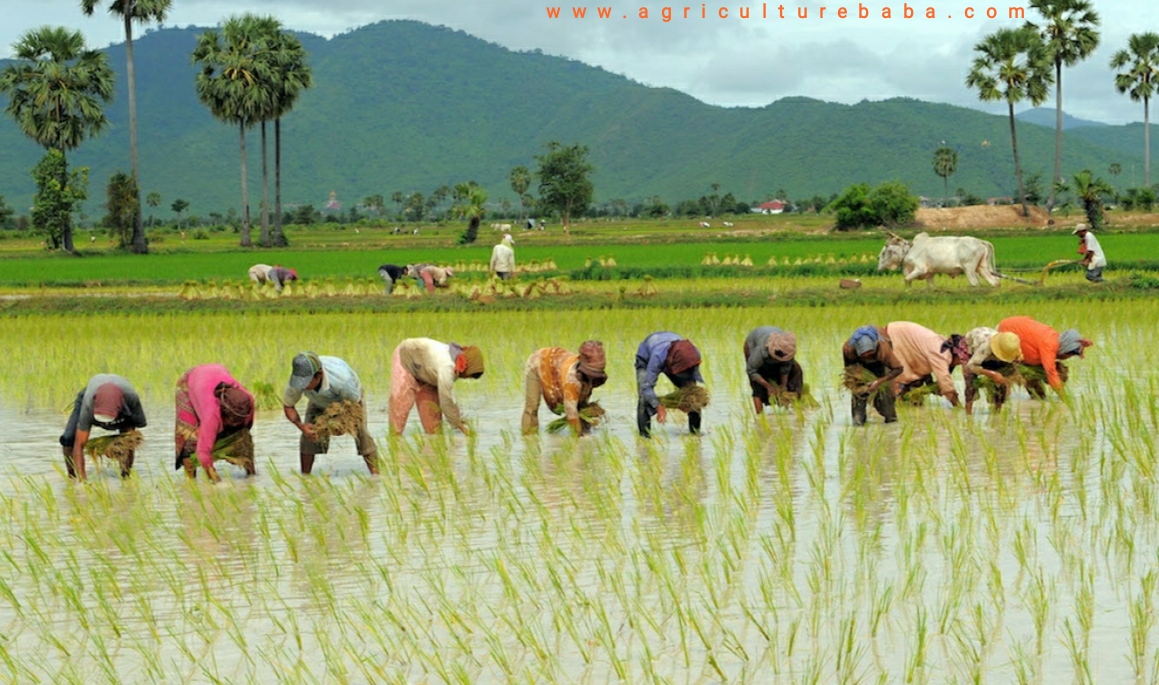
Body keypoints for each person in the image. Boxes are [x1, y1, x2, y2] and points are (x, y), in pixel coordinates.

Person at [283, 352, 379, 475]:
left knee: (361, 434)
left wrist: (343, 424)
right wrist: (301, 426)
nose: (302, 386)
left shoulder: (342, 381)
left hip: (349, 402)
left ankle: (376, 477)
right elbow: (288, 406)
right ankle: (305, 477)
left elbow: (355, 406)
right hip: (317, 401)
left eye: (306, 382)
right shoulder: (296, 381)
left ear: (319, 375)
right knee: (308, 436)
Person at [174, 364, 256, 483]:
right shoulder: (212, 414)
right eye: (232, 420)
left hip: (216, 372)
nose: (235, 423)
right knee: (189, 440)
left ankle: (251, 476)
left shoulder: (248, 400)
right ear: (223, 413)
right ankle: (191, 483)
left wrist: (235, 448)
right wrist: (216, 481)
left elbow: (246, 429)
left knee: (242, 439)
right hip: (190, 383)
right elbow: (202, 453)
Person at [59, 374, 147, 480]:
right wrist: (83, 484)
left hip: (121, 402)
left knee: (127, 440)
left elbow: (130, 437)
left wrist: (115, 447)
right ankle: (72, 477)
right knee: (68, 439)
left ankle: (125, 476)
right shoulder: (89, 403)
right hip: (91, 396)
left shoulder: (131, 399)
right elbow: (79, 445)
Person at [389, 338, 484, 435]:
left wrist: (457, 417)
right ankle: (394, 443)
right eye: (468, 376)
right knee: (400, 410)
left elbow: (450, 395)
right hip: (406, 357)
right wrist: (458, 425)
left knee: (434, 430)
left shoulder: (454, 365)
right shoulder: (447, 366)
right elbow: (445, 399)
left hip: (427, 373)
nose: (465, 378)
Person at [522, 341, 608, 434]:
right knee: (532, 407)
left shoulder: (591, 375)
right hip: (538, 362)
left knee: (582, 408)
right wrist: (579, 438)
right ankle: (529, 438)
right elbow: (571, 412)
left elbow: (579, 405)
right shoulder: (571, 380)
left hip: (558, 361)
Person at [997, 316, 1091, 397]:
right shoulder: (1049, 346)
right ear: (1065, 349)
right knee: (1004, 385)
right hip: (1005, 333)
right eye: (1071, 354)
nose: (1069, 357)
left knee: (1033, 378)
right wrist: (1065, 399)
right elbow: (1051, 372)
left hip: (1019, 332)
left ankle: (1036, 401)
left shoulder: (1055, 339)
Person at [635, 332, 705, 438]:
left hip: (674, 356)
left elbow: (693, 377)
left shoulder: (693, 354)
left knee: (692, 398)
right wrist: (658, 406)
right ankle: (645, 440)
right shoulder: (657, 357)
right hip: (646, 358)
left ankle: (695, 435)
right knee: (644, 400)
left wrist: (684, 401)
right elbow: (647, 387)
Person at [884, 321, 961, 408]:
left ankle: (902, 401)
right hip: (895, 337)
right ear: (957, 355)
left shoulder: (942, 346)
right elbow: (945, 380)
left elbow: (924, 363)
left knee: (915, 383)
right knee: (901, 377)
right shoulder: (941, 354)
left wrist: (931, 385)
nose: (959, 364)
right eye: (960, 361)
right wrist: (957, 405)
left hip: (900, 334)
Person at [842, 325, 903, 426]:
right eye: (864, 355)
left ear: (875, 348)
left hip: (881, 367)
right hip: (860, 368)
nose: (867, 357)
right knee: (858, 411)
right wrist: (858, 382)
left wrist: (879, 382)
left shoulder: (883, 348)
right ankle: (859, 425)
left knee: (887, 408)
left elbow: (898, 368)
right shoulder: (848, 349)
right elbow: (848, 371)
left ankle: (891, 423)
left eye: (870, 355)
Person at [960, 328, 1023, 415]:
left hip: (993, 351)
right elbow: (971, 366)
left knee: (1001, 381)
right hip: (972, 350)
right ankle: (968, 415)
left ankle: (997, 412)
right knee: (970, 380)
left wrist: (1012, 377)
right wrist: (992, 374)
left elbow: (1017, 360)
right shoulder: (986, 347)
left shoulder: (1012, 346)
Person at [743, 326, 804, 414]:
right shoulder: (760, 352)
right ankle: (760, 417)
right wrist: (769, 387)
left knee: (796, 371)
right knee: (757, 385)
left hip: (779, 349)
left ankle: (796, 410)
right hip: (753, 345)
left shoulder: (788, 348)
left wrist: (783, 385)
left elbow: (786, 367)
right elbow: (751, 370)